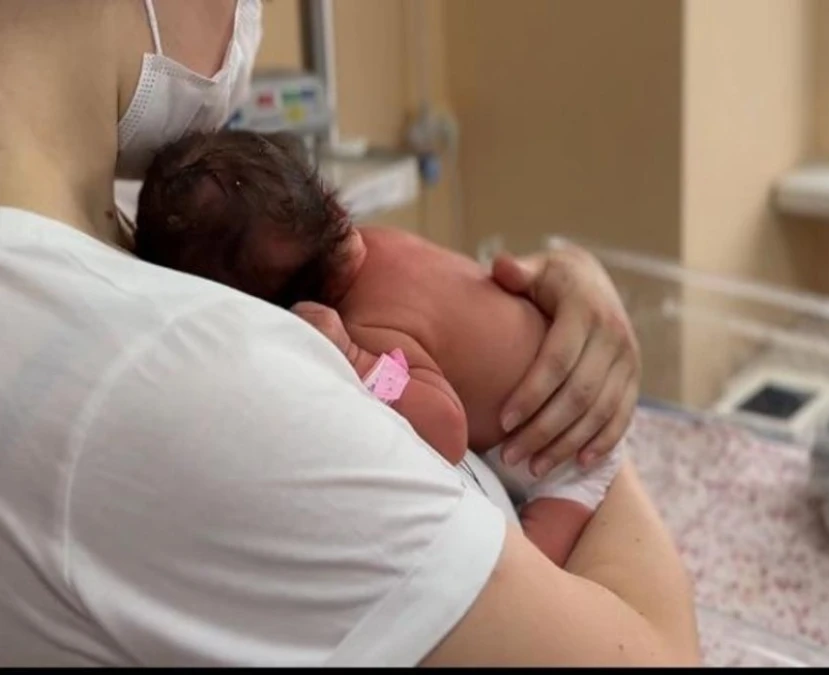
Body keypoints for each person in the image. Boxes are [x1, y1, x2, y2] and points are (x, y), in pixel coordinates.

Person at [0, 0, 699, 667]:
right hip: (578, 475)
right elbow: (445, 418)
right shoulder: (190, 369)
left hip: (566, 441)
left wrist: (561, 331)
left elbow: (440, 399)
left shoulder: (118, 242)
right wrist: (576, 375)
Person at [134, 128, 627, 566]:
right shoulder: (381, 240)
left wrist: (358, 362)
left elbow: (446, 425)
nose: (343, 230)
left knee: (529, 579)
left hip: (568, 453)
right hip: (563, 382)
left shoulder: (370, 326)